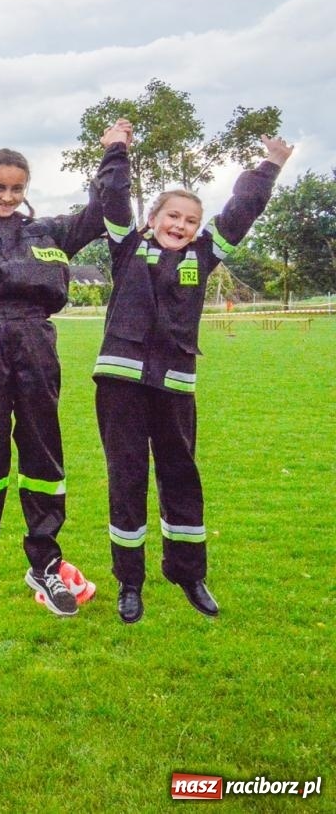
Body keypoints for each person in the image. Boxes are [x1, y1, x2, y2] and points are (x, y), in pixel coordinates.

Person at [0, 120, 132, 616]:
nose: (7, 196)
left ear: (26, 190)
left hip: (35, 340)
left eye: (16, 188)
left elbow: (103, 208)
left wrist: (114, 151)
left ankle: (45, 564)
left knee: (42, 454)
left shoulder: (50, 231)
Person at [95, 134, 293, 624]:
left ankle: (188, 573)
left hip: (175, 385)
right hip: (120, 383)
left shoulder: (203, 256)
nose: (180, 226)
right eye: (172, 217)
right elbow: (114, 196)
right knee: (127, 479)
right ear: (153, 219)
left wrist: (270, 164)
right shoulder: (125, 248)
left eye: (190, 221)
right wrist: (117, 150)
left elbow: (241, 210)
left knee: (181, 476)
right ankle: (129, 582)